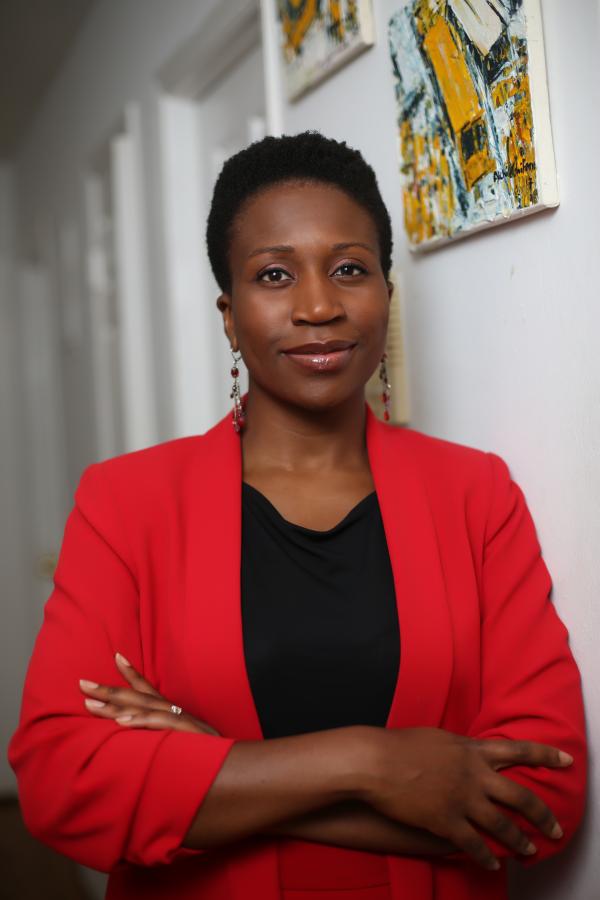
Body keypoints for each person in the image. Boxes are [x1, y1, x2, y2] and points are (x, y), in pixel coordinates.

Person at [9, 132, 586, 900]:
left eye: (350, 268)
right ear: (229, 314)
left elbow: (543, 803)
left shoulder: (476, 495)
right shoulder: (127, 502)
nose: (318, 305)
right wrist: (372, 765)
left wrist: (216, 761)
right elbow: (64, 780)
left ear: (387, 293)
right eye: (275, 274)